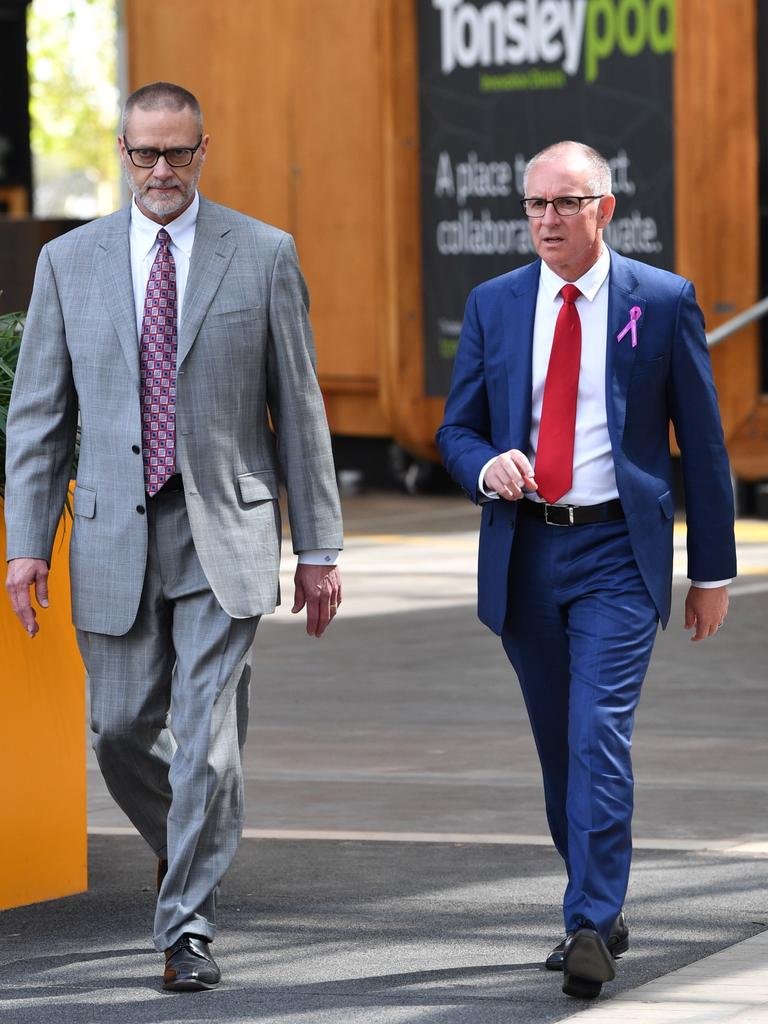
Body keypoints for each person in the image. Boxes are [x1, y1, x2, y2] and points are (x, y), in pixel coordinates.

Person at [4, 81, 343, 992]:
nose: (161, 170)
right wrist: (25, 543)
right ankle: (184, 841)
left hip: (225, 530)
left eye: (178, 153)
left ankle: (186, 927)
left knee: (208, 739)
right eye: (145, 153)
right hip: (114, 532)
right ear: (122, 151)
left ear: (204, 149)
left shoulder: (263, 253)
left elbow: (299, 410)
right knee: (118, 732)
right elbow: (37, 416)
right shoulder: (68, 262)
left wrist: (320, 550)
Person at [437, 141, 736, 1000]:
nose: (546, 220)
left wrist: (712, 571)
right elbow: (456, 430)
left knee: (598, 733)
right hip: (527, 552)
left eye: (565, 204)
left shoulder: (661, 300)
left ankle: (586, 921)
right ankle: (595, 906)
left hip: (617, 550)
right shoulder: (494, 304)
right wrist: (487, 464)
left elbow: (704, 448)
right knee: (559, 746)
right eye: (534, 205)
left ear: (605, 209)